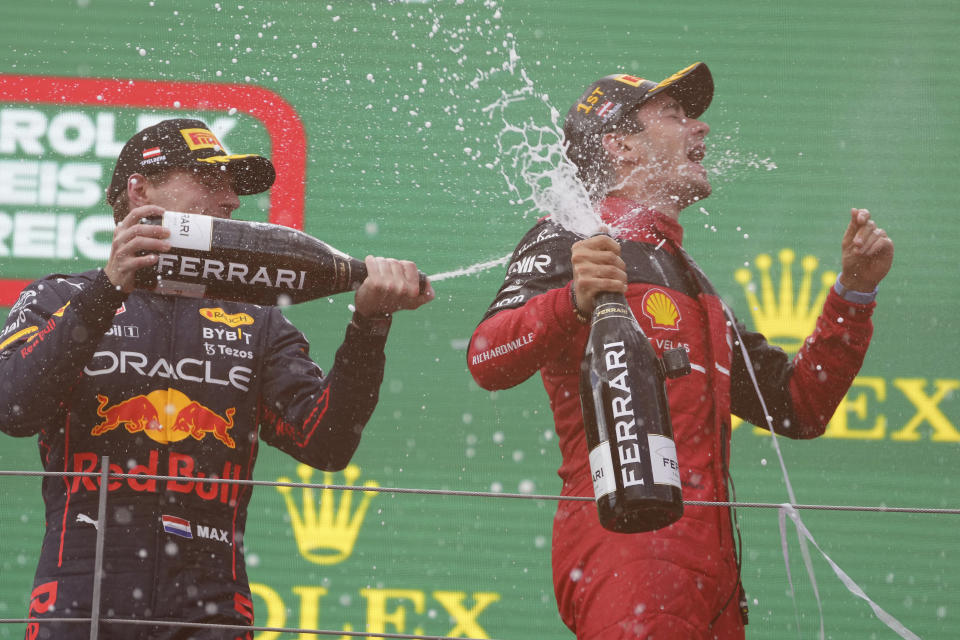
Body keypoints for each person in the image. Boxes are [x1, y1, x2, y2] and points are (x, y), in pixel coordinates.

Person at [467, 63, 893, 639]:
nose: (702, 129)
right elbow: (487, 359)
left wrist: (854, 293)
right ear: (621, 148)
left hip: (715, 571)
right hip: (631, 551)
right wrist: (572, 300)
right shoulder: (573, 234)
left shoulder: (690, 280)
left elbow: (798, 404)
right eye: (675, 115)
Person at [0, 118, 434, 640]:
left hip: (211, 609)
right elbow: (13, 408)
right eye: (210, 181)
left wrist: (368, 328)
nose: (230, 198)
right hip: (79, 598)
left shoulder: (258, 321)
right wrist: (108, 292)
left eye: (233, 186)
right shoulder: (56, 298)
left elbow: (326, 443)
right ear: (140, 189)